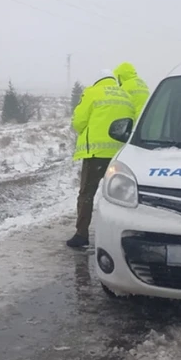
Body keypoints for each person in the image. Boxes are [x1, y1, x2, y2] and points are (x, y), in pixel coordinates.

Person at [67, 70, 135, 248]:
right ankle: (121, 235)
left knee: (86, 195)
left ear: (97, 80)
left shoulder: (92, 92)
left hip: (96, 155)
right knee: (121, 195)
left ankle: (81, 235)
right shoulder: (125, 95)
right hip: (119, 156)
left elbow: (79, 121)